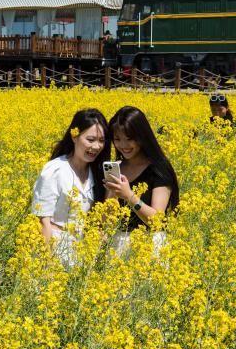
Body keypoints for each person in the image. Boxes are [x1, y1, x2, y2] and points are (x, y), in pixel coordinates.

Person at [31, 109, 110, 268]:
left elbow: (100, 222)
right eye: (90, 139)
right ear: (74, 136)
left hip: (81, 252)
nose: (96, 146)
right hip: (53, 249)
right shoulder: (55, 170)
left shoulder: (96, 172)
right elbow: (42, 221)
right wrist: (46, 264)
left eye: (101, 140)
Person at [105, 106, 180, 257]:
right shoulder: (116, 168)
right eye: (117, 139)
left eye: (129, 139)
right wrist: (111, 193)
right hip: (118, 245)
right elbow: (106, 218)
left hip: (149, 246)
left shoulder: (159, 169)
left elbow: (157, 221)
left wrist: (129, 196)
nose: (123, 146)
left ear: (142, 137)